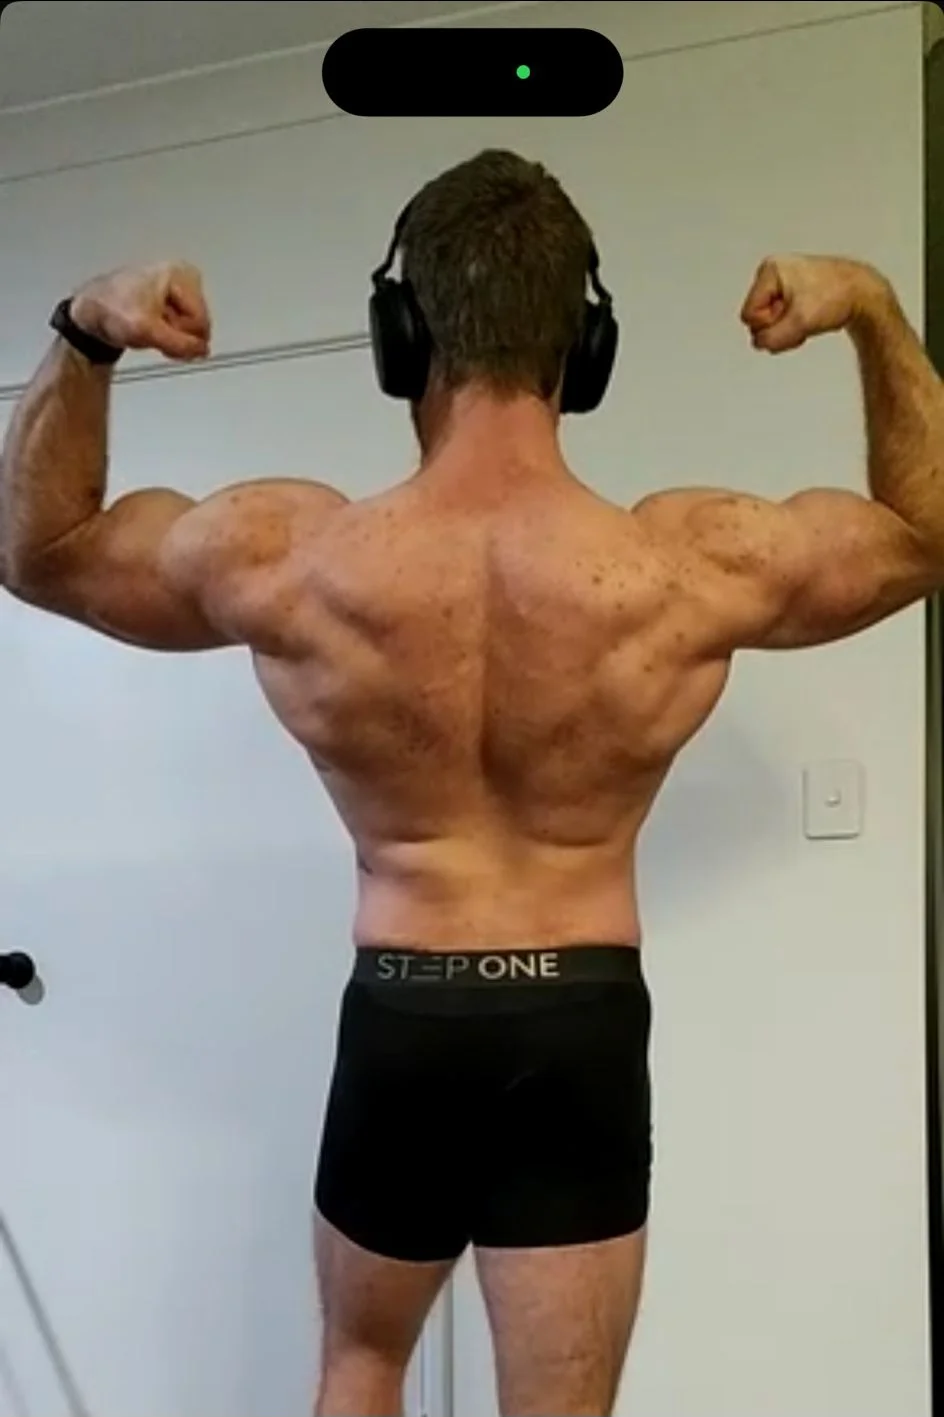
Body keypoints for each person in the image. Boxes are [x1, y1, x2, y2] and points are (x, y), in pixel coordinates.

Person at [1, 149, 942, 1417]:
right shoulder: (686, 564)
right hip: (578, 1028)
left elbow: (41, 549)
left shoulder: (294, 555)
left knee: (359, 1370)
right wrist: (871, 308)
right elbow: (926, 530)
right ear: (583, 348)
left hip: (401, 1016)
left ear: (401, 336)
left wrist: (86, 331)